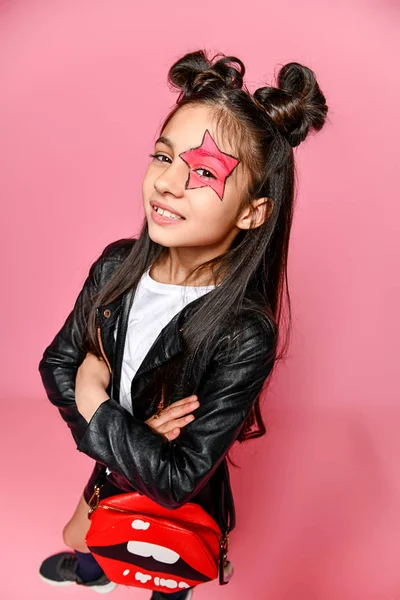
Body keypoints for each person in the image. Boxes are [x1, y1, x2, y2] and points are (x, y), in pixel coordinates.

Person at [37, 49, 328, 598]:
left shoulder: (244, 334)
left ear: (251, 212)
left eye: (201, 172)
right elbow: (56, 365)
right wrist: (130, 439)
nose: (167, 184)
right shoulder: (115, 266)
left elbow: (175, 480)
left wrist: (95, 402)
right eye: (163, 157)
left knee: (169, 566)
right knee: (91, 535)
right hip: (118, 466)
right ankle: (96, 569)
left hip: (181, 502)